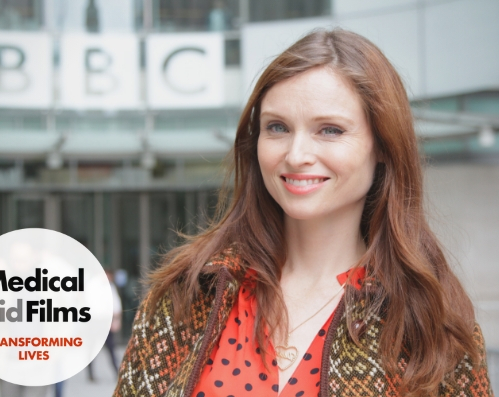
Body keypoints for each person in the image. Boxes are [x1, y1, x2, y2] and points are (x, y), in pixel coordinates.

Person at [113, 29, 493, 397]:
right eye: (277, 127)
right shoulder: (188, 293)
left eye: (329, 130)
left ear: (382, 145)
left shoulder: (430, 321)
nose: (296, 156)